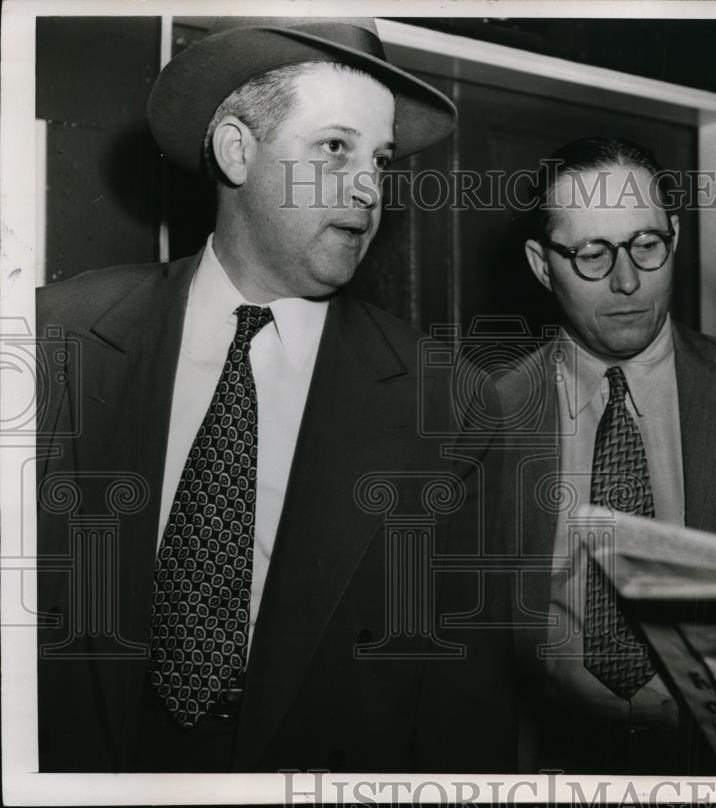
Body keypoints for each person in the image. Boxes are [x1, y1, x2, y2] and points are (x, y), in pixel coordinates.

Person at [35, 17, 514, 774]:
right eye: (335, 148)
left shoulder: (449, 403)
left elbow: (465, 702)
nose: (369, 186)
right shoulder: (55, 338)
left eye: (380, 159)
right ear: (237, 150)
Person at [495, 137, 716, 774]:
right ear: (541, 265)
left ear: (674, 234)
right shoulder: (480, 421)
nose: (626, 281)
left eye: (647, 245)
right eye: (591, 253)